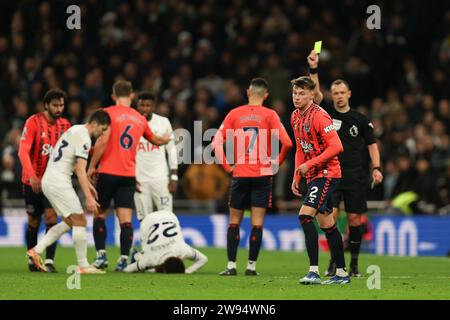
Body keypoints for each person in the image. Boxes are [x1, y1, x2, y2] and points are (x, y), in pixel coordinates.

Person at [307, 50, 383, 277]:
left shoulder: (360, 119)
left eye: (342, 92)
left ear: (349, 94)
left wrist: (376, 168)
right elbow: (314, 94)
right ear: (331, 94)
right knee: (331, 218)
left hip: (355, 176)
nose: (338, 96)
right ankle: (334, 262)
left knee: (354, 219)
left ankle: (355, 264)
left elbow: (372, 144)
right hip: (331, 173)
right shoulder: (326, 113)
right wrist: (313, 69)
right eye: (335, 92)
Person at [212, 78, 293, 276]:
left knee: (234, 221)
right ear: (266, 95)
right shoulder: (270, 115)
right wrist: (276, 164)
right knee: (257, 222)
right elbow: (288, 143)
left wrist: (227, 167)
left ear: (248, 92)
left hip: (240, 172)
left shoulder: (234, 114)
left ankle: (231, 266)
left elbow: (215, 143)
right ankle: (251, 267)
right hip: (262, 174)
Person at [87, 81, 170, 271]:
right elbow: (155, 140)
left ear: (113, 95)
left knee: (100, 215)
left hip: (107, 172)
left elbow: (101, 141)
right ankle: (124, 258)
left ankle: (101, 256)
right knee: (125, 219)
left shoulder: (106, 113)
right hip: (128, 175)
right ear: (132, 96)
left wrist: (91, 166)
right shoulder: (139, 118)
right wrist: (166, 139)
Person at [26, 109, 111, 274]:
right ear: (95, 124)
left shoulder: (75, 129)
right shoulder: (85, 138)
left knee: (69, 222)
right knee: (80, 220)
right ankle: (83, 265)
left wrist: (89, 186)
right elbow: (80, 169)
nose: (102, 134)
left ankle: (36, 251)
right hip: (59, 182)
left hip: (50, 180)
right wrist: (88, 198)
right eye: (102, 129)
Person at [290, 76, 350, 285]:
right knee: (328, 224)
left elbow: (337, 147)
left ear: (312, 95)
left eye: (302, 93)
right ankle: (342, 274)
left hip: (327, 173)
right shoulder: (295, 117)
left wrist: (310, 164)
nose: (297, 97)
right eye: (295, 93)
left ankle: (313, 271)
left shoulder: (320, 117)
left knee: (305, 216)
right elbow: (300, 147)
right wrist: (297, 174)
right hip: (313, 174)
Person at [18, 88, 71, 272]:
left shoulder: (66, 126)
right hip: (32, 181)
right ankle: (32, 258)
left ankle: (49, 261)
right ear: (46, 105)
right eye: (55, 105)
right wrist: (32, 175)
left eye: (61, 105)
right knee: (33, 220)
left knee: (51, 218)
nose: (59, 109)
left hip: (52, 183)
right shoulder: (33, 122)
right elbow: (22, 150)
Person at [134, 92, 178, 221]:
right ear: (137, 105)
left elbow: (172, 150)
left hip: (160, 179)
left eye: (149, 105)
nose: (145, 109)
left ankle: (168, 242)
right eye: (142, 105)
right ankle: (146, 242)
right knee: (144, 219)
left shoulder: (163, 122)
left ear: (154, 106)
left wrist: (174, 176)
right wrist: (131, 177)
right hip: (140, 180)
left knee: (167, 217)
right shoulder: (132, 122)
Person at [123, 210, 208, 274]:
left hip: (169, 215)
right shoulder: (152, 260)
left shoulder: (184, 250)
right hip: (148, 221)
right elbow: (128, 269)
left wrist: (187, 271)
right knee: (146, 252)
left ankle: (140, 258)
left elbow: (204, 259)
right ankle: (137, 256)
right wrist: (188, 271)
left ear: (179, 258)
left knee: (148, 257)